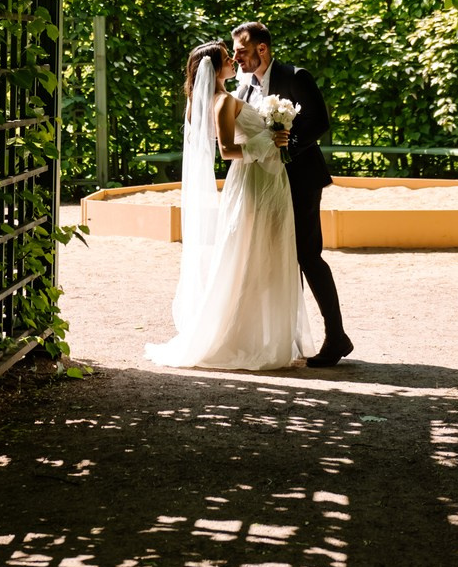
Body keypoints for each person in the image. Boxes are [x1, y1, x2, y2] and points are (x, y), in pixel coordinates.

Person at [146, 40, 305, 371]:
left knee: (270, 255)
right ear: (215, 69)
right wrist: (270, 137)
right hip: (253, 183)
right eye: (226, 58)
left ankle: (269, 336)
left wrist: (275, 133)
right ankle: (243, 338)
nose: (234, 60)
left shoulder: (229, 98)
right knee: (251, 256)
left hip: (268, 178)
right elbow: (228, 151)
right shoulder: (222, 102)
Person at [232, 21, 354, 367]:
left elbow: (319, 121)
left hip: (300, 177)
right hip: (265, 183)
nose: (237, 57)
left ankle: (336, 337)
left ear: (262, 49)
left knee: (307, 254)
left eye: (242, 50)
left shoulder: (296, 76)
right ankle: (288, 339)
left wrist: (289, 148)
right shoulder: (244, 87)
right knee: (276, 257)